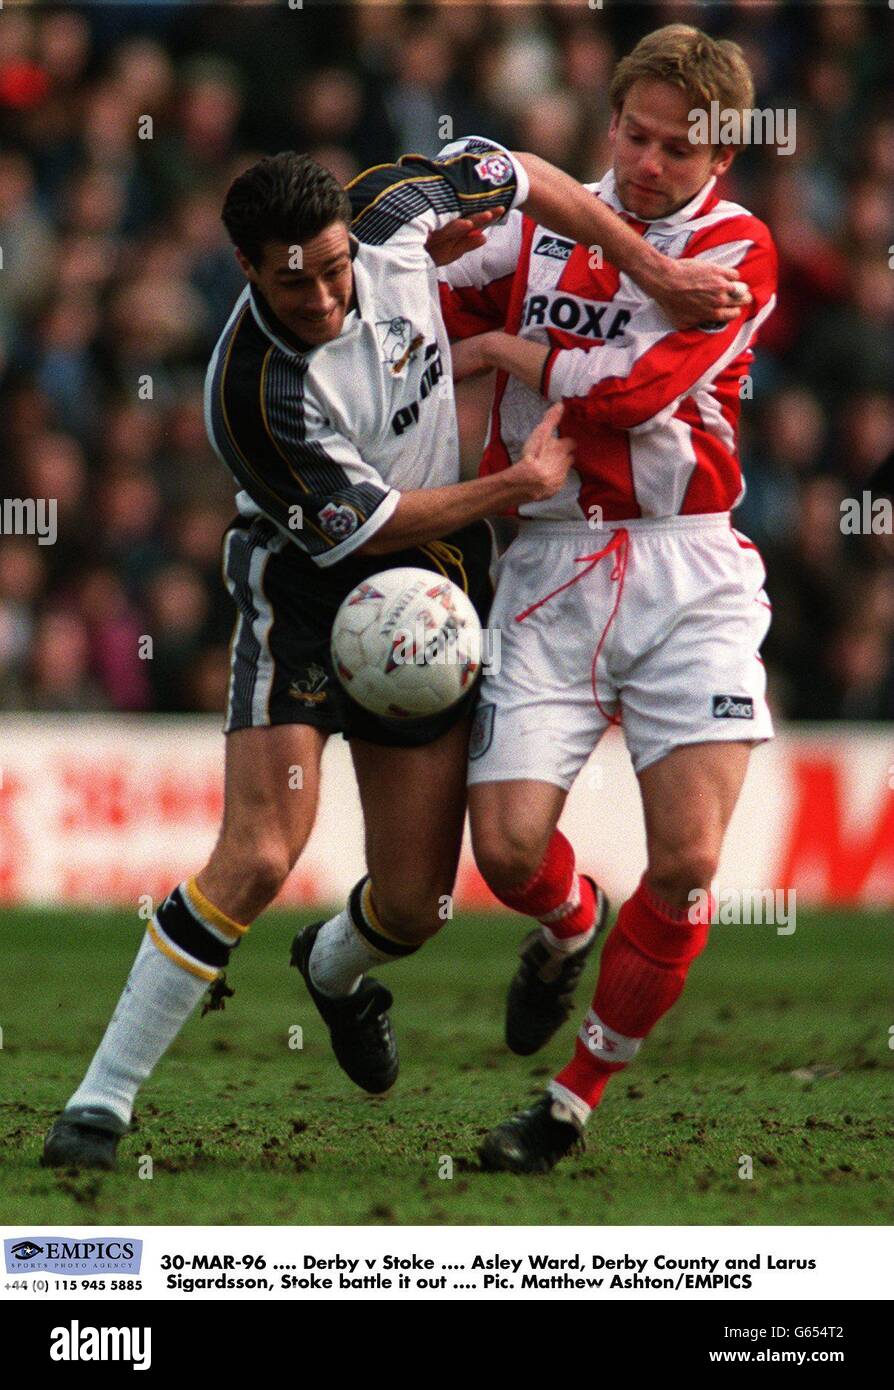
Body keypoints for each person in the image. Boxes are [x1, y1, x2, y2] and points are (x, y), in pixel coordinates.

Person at [42, 130, 748, 1171]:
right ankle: (99, 1104)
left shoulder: (398, 209)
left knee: (416, 904)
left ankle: (331, 974)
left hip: (431, 585)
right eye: (295, 284)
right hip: (307, 589)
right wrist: (513, 487)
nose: (326, 297)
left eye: (336, 269)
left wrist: (653, 269)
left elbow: (529, 175)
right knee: (261, 852)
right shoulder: (253, 392)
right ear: (246, 270)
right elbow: (370, 528)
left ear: (352, 232)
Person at [439, 26, 778, 1173]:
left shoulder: (736, 247)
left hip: (689, 570)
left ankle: (570, 1101)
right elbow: (417, 302)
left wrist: (503, 349)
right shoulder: (535, 225)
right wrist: (433, 262)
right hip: (548, 562)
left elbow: (632, 397)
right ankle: (570, 920)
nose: (647, 163)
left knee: (685, 863)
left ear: (721, 158)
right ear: (612, 121)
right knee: (507, 851)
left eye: (678, 149)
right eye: (635, 135)